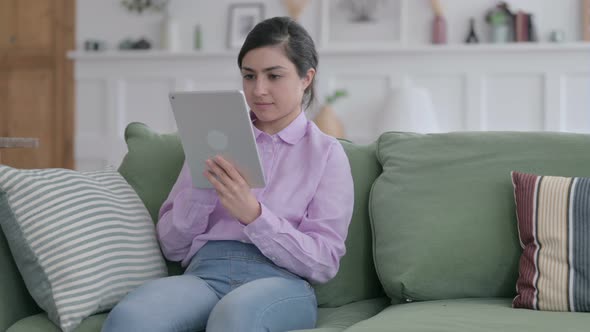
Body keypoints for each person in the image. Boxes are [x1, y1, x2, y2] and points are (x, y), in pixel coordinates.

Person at [102, 16, 354, 332]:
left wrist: (255, 216)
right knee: (132, 317)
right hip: (205, 274)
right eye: (249, 76)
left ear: (306, 78)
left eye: (274, 76)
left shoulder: (327, 154)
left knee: (233, 319)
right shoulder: (211, 139)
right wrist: (204, 191)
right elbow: (171, 246)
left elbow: (324, 262)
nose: (259, 90)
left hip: (281, 282)